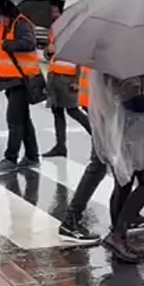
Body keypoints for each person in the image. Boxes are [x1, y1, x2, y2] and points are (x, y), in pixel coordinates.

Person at [89, 71, 144, 263]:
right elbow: (133, 102)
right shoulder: (125, 68)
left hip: (118, 129)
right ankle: (118, 234)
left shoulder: (110, 64)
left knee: (124, 183)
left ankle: (118, 238)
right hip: (129, 133)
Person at [0, 0, 41, 171]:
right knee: (23, 120)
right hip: (8, 80)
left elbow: (29, 44)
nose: (1, 20)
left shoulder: (21, 24)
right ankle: (32, 156)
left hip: (21, 79)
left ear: (9, 13)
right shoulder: (4, 27)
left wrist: (11, 44)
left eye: (2, 16)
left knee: (14, 120)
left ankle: (11, 158)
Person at [57, 66, 108, 245]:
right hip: (102, 106)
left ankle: (128, 216)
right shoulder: (110, 50)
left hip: (98, 103)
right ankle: (70, 221)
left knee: (108, 163)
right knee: (99, 163)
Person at [43, 2, 91, 158]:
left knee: (73, 110)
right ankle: (60, 146)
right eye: (52, 12)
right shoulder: (54, 30)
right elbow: (49, 54)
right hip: (54, 75)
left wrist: (77, 80)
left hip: (67, 77)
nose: (54, 15)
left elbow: (80, 56)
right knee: (57, 111)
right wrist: (48, 51)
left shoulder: (73, 30)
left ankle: (98, 139)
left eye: (56, 11)